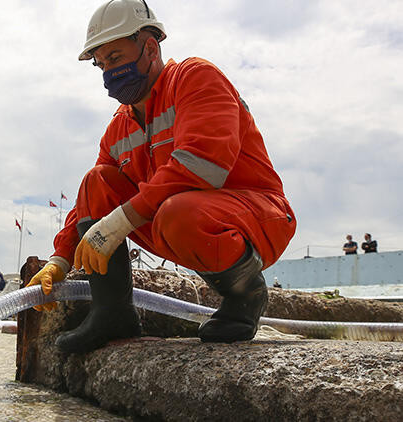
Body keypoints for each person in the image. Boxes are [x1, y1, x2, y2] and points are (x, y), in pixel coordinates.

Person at [25, 0, 296, 352]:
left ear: (150, 48)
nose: (108, 71)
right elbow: (93, 198)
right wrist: (59, 260)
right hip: (175, 217)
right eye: (101, 63)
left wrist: (116, 224)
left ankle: (246, 296)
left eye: (116, 58)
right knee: (97, 180)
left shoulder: (195, 78)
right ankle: (113, 314)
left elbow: (201, 166)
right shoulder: (118, 127)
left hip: (256, 215)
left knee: (178, 211)